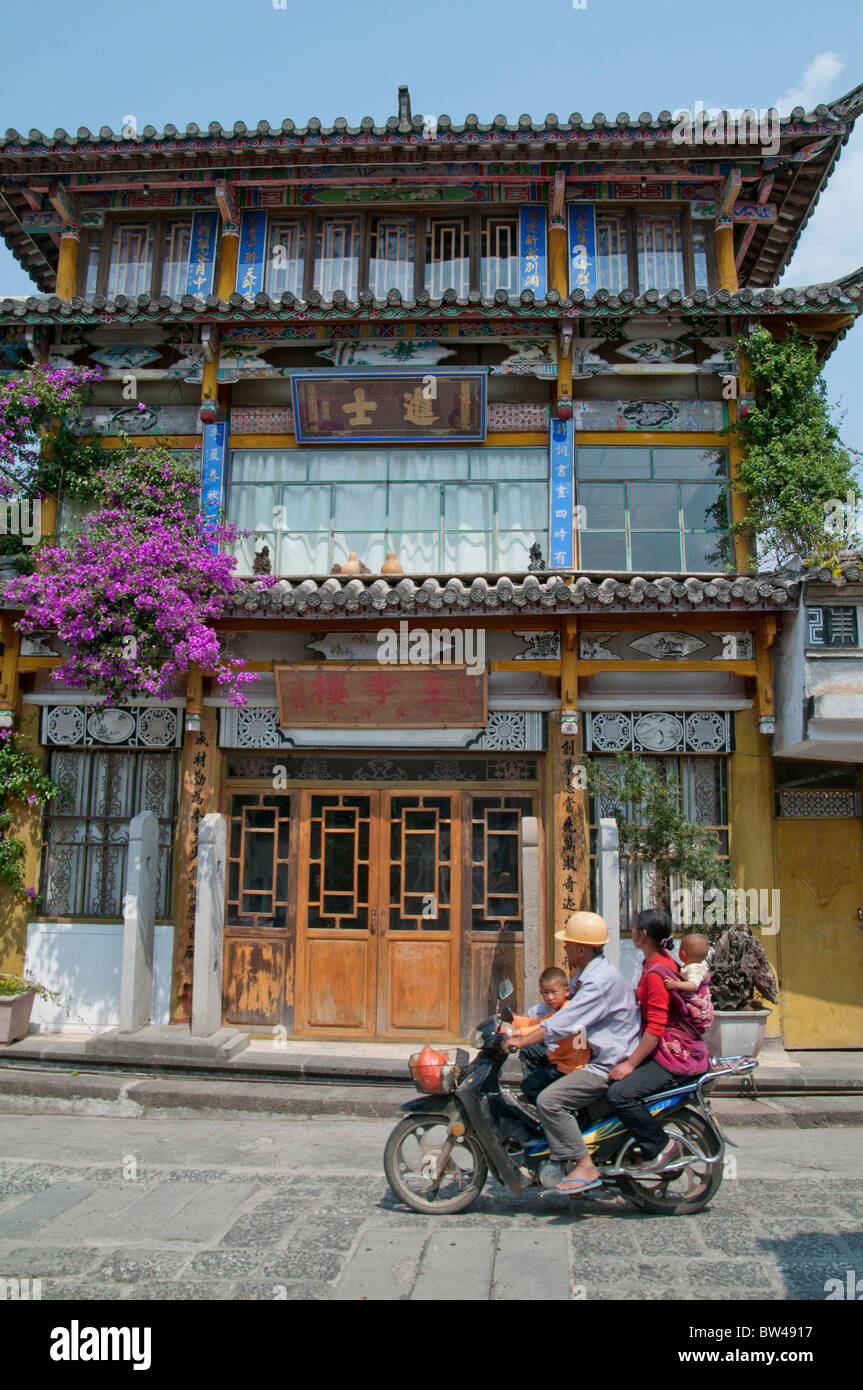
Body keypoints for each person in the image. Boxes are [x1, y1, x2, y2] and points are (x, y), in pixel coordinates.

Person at [508, 911, 641, 1197]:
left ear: (581, 949)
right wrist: (516, 1028)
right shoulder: (589, 974)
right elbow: (548, 1012)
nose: (565, 949)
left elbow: (564, 1022)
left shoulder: (597, 982)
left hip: (607, 1063)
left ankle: (584, 1165)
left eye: (568, 944)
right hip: (598, 1056)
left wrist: (521, 1042)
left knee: (549, 1100)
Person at [605, 909, 710, 1175]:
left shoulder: (657, 973)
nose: (634, 931)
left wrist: (630, 1063)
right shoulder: (659, 962)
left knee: (620, 1094)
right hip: (669, 1049)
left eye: (636, 928)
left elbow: (656, 1027)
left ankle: (660, 1147)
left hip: (673, 1057)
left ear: (643, 935)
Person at [506, 966, 591, 1102]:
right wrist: (513, 1020)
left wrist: (515, 1033)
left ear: (567, 991)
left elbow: (543, 1028)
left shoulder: (567, 1011)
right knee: (529, 1052)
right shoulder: (557, 1011)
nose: (549, 997)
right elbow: (537, 1022)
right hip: (559, 1059)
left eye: (553, 992)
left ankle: (543, 1111)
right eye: (545, 993)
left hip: (570, 1068)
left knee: (528, 1086)